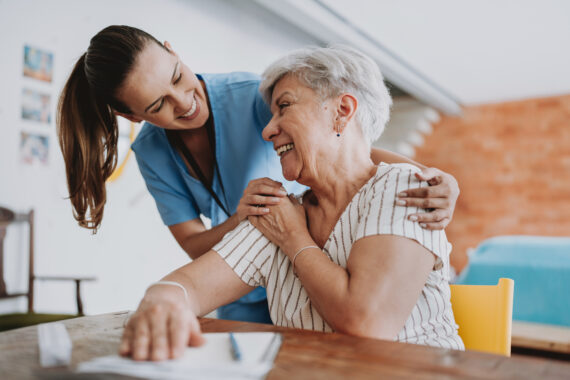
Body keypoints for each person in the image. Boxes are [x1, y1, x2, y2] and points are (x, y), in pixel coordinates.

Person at [57, 25, 459, 324]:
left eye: (178, 76)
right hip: (253, 279)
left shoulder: (254, 96)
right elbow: (194, 257)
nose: (184, 103)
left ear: (172, 50)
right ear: (133, 116)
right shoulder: (153, 153)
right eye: (159, 103)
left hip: (300, 270)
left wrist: (428, 176)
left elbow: (341, 146)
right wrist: (240, 222)